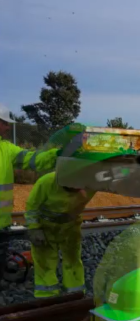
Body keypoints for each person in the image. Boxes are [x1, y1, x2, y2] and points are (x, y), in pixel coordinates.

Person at [0, 104, 60, 281]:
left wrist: (57, 154)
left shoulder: (7, 149)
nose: (8, 127)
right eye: (4, 123)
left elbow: (33, 159)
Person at [25, 171, 95, 297]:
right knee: (45, 260)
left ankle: (75, 293)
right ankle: (47, 295)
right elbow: (32, 207)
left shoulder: (90, 182)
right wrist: (34, 229)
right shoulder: (46, 182)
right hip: (46, 227)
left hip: (70, 227)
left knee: (72, 259)